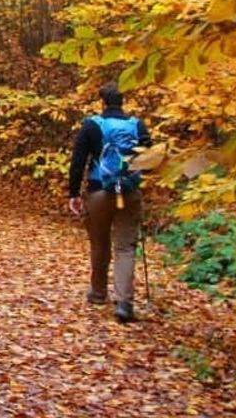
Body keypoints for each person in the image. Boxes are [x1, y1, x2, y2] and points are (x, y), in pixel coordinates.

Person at [67, 83, 151, 324]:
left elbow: (78, 161)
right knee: (125, 247)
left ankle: (98, 292)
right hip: (130, 191)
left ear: (102, 102)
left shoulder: (92, 125)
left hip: (99, 191)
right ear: (123, 102)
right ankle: (124, 303)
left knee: (99, 243)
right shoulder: (137, 125)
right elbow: (149, 158)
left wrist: (74, 193)